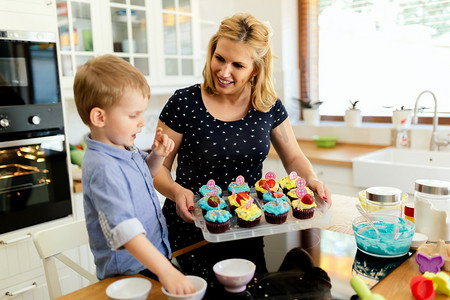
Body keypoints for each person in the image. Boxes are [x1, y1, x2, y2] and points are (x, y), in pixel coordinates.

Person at [154, 13, 332, 283]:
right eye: (220, 58)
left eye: (237, 64)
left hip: (248, 229)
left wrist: (312, 180)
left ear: (256, 69)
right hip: (190, 232)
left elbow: (294, 156)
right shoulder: (184, 102)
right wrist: (177, 191)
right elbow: (157, 169)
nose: (224, 72)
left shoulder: (268, 105)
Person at [73, 54, 194, 295]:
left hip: (151, 263)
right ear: (99, 117)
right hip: (128, 276)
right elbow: (125, 229)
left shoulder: (123, 148)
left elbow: (144, 175)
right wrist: (167, 271)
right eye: (133, 115)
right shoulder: (103, 167)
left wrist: (157, 156)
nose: (142, 123)